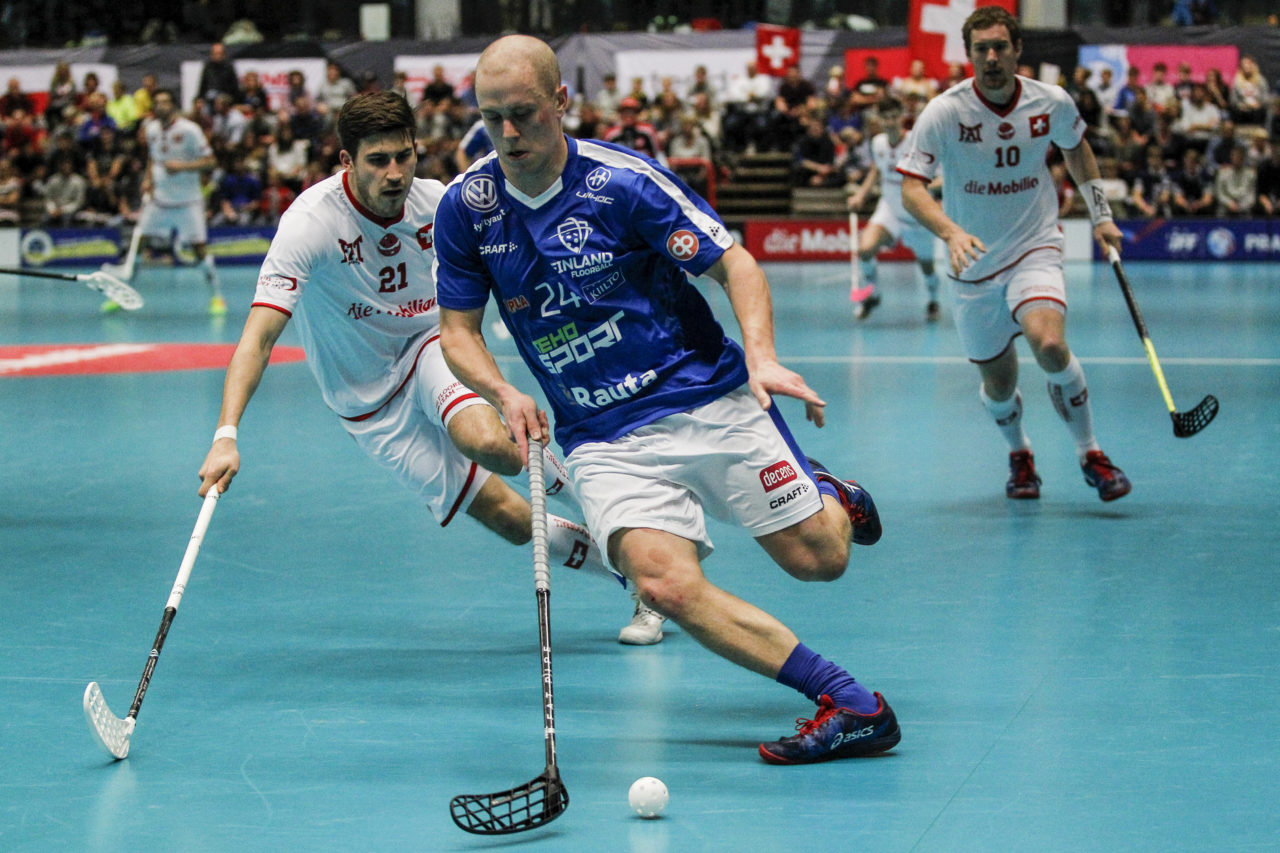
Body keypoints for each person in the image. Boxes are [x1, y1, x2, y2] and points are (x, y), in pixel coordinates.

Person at [434, 34, 900, 765]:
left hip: (702, 392)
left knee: (821, 558)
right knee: (662, 584)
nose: (509, 133)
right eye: (492, 118)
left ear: (562, 101)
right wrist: (500, 389)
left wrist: (762, 356)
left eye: (524, 113)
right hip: (599, 434)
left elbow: (734, 264)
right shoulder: (468, 208)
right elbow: (457, 331)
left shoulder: (623, 183)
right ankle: (850, 703)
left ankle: (829, 494)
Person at [196, 92, 649, 644]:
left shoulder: (438, 203)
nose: (395, 173)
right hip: (366, 404)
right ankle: (634, 575)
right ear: (346, 161)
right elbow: (258, 337)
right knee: (510, 520)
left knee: (490, 442)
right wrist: (226, 435)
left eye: (404, 156)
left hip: (427, 344)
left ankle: (628, 533)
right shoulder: (309, 224)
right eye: (377, 160)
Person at [898, 5, 1131, 503]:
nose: (991, 57)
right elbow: (912, 188)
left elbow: (1077, 149)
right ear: (969, 55)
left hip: (1034, 245)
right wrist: (950, 233)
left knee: (1049, 344)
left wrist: (1101, 214)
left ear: (1017, 50)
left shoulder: (1051, 101)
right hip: (973, 264)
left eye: (1000, 47)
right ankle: (1020, 453)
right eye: (981, 49)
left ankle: (1090, 452)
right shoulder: (945, 111)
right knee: (1000, 385)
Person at [100, 89, 225, 315]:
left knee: (199, 250)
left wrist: (182, 166)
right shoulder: (151, 129)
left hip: (188, 202)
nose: (161, 106)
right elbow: (153, 156)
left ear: (173, 105)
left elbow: (211, 162)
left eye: (165, 102)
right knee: (138, 246)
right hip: (158, 202)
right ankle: (121, 297)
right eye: (157, 102)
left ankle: (216, 297)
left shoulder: (190, 130)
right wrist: (148, 179)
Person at [844, 96, 943, 322]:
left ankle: (933, 300)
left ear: (902, 117)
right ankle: (873, 294)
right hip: (889, 209)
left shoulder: (918, 143)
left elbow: (942, 178)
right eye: (885, 118)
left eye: (894, 117)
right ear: (879, 119)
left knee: (927, 266)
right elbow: (876, 170)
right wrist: (861, 195)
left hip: (918, 215)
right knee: (865, 249)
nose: (890, 122)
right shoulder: (878, 142)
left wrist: (921, 187)